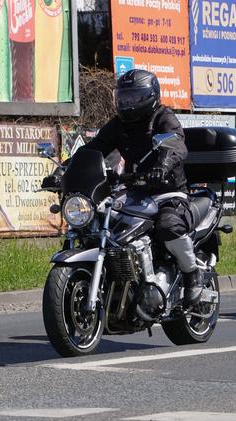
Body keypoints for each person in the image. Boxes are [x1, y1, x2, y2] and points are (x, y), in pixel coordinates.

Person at [49, 69, 203, 306]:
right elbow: (95, 148)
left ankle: (192, 273)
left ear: (150, 96)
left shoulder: (163, 117)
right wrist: (64, 170)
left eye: (134, 97)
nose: (127, 103)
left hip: (167, 190)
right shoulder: (119, 125)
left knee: (168, 225)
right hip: (135, 189)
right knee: (103, 223)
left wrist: (163, 165)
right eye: (124, 97)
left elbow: (176, 143)